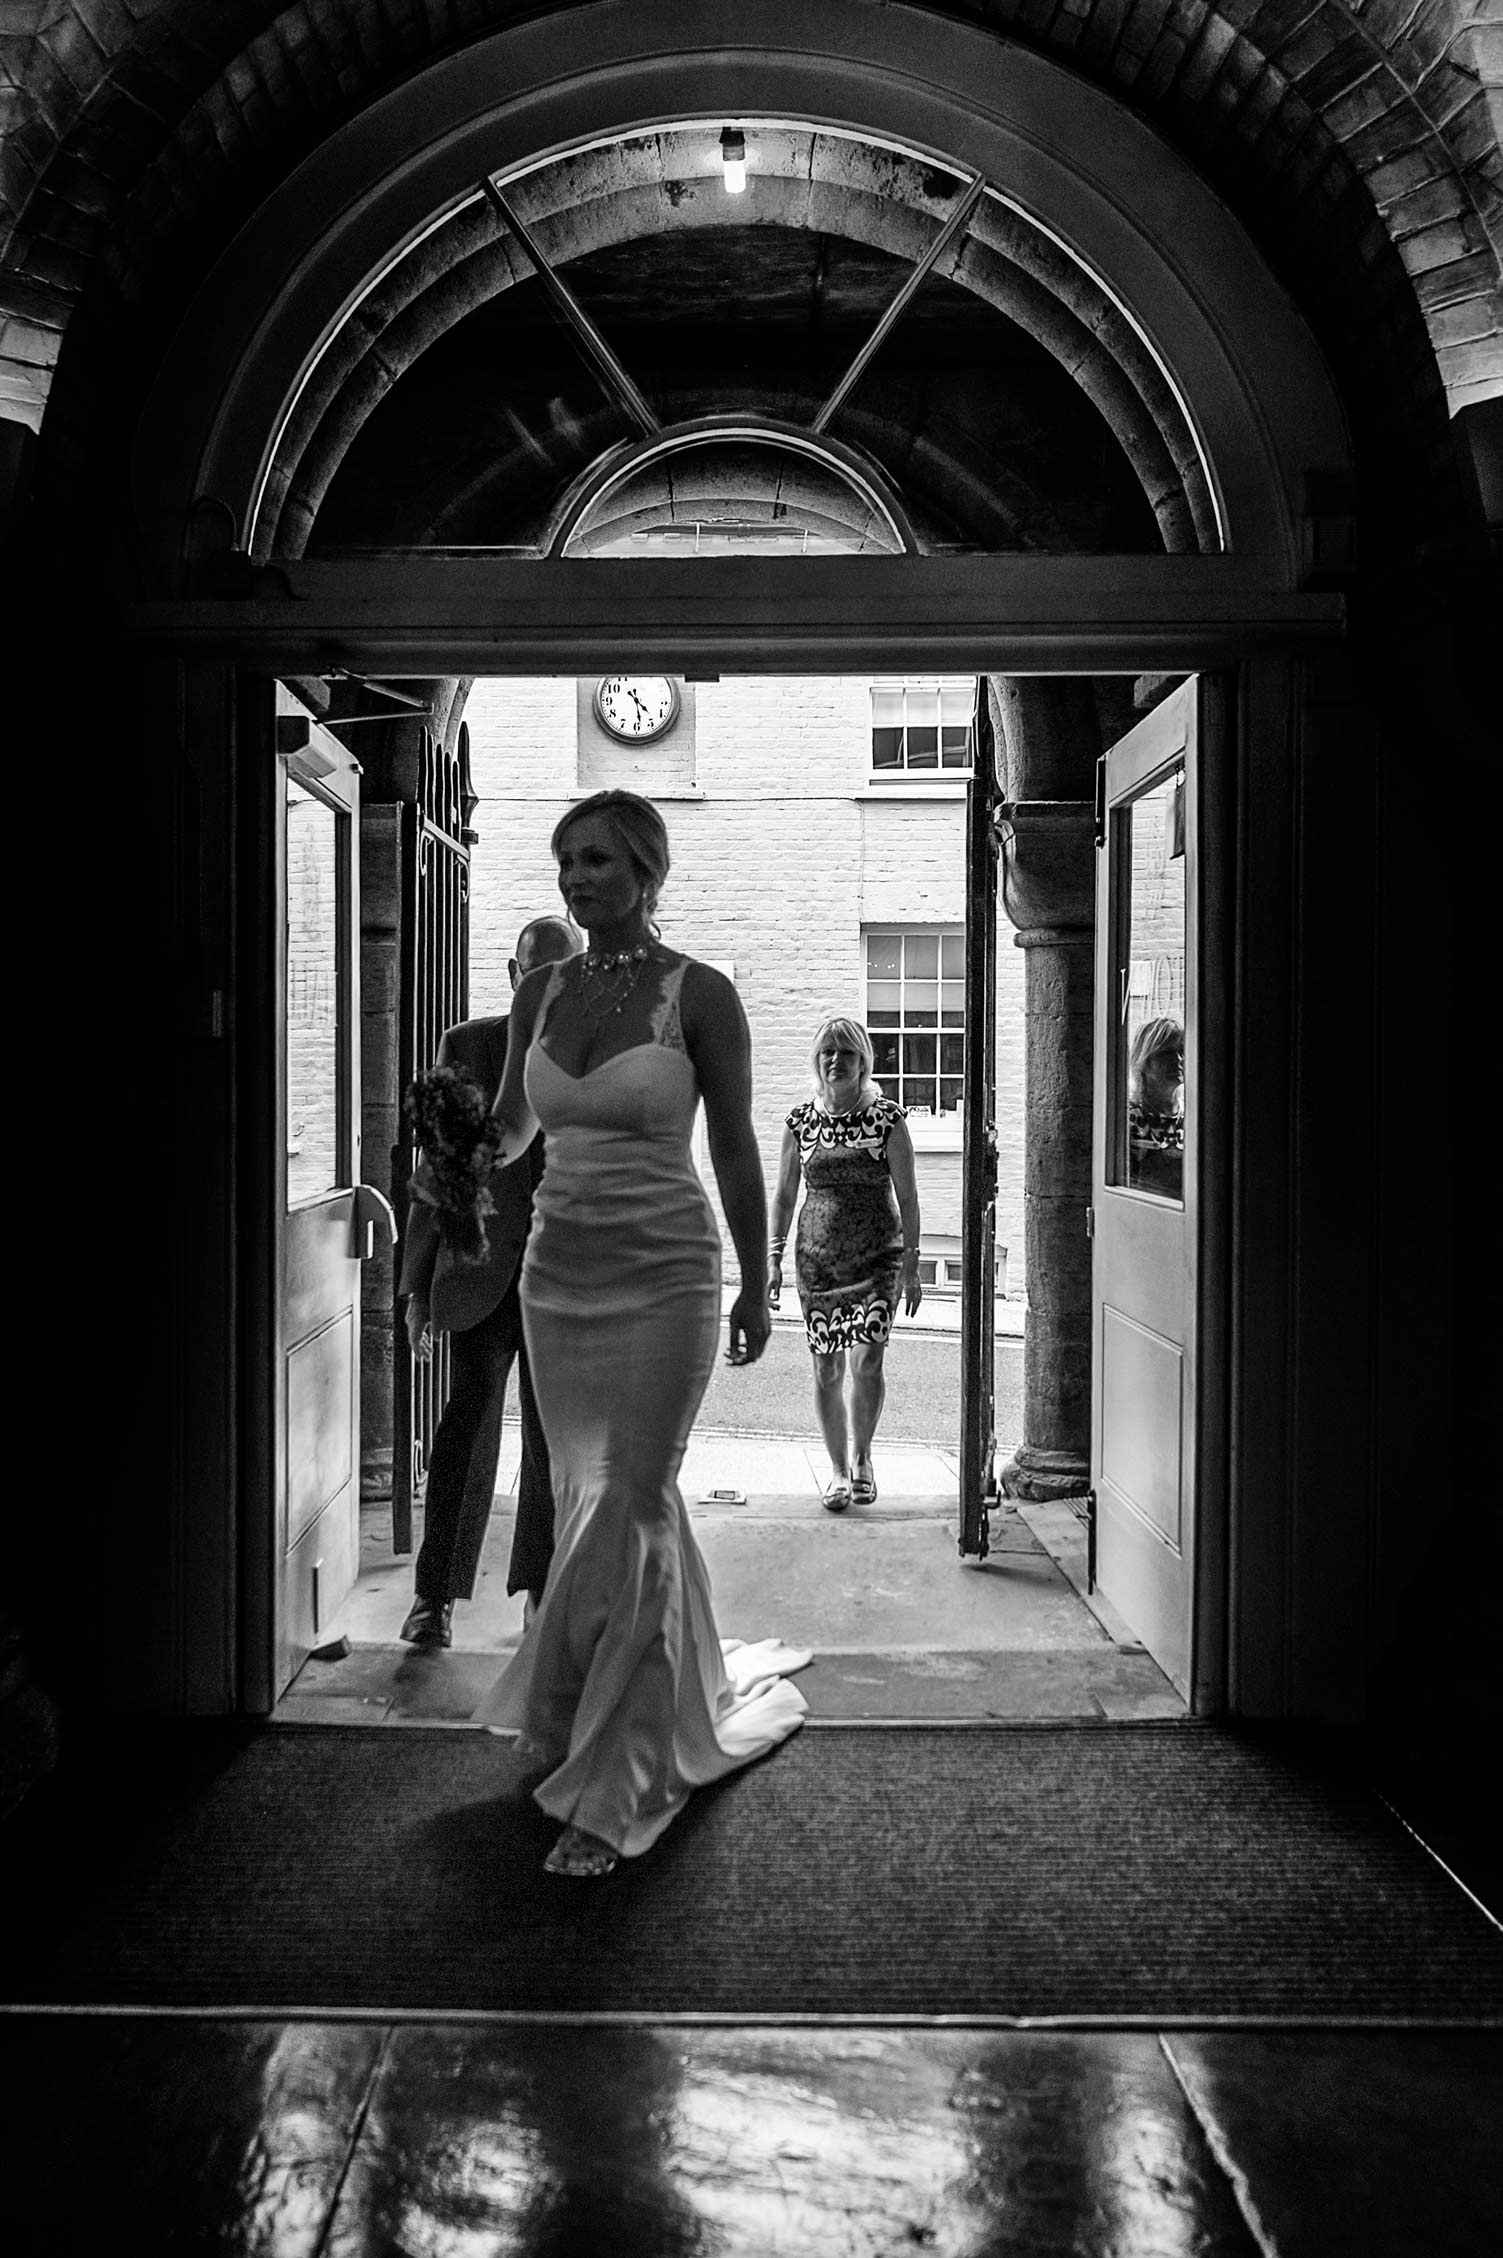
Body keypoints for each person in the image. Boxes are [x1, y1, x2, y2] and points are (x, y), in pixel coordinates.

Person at [473, 789, 810, 1877]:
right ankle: (607, 1703)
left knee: (630, 1494)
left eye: (600, 861)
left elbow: (742, 1149)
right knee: (591, 1499)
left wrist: (764, 1281)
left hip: (666, 1271)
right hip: (557, 1274)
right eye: (567, 860)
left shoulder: (701, 993)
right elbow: (518, 1126)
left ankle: (620, 1784)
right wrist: (456, 1146)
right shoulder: (542, 988)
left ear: (648, 872)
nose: (577, 879)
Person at [397, 916, 583, 1647]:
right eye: (535, 975)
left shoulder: (592, 1053)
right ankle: (433, 1598)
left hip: (563, 1279)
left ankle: (539, 1591)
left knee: (551, 1442)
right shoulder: (465, 1046)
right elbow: (437, 1176)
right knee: (464, 1431)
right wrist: (414, 1286)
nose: (547, 991)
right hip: (477, 1276)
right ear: (512, 975)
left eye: (562, 976)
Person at [769, 1018, 923, 1513]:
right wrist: (772, 1257)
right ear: (818, 1061)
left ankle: (862, 1458)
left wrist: (912, 1266)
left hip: (878, 1257)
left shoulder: (887, 1120)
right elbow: (785, 1194)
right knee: (827, 1367)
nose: (836, 1061)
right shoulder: (800, 1123)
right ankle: (835, 1471)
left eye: (847, 1053)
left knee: (868, 1359)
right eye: (828, 1052)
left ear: (863, 1063)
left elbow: (909, 1195)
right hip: (818, 1263)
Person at [1126, 1013, 1185, 1197]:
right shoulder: (1130, 1121)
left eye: (1181, 1051)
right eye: (1166, 1053)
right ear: (1143, 1062)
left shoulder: (1195, 1118)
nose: (1178, 1059)